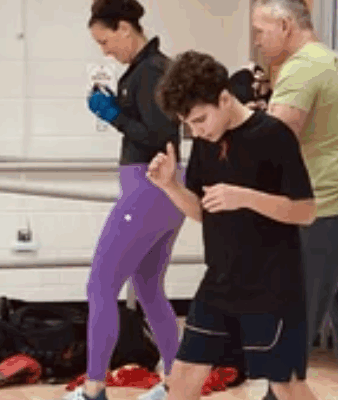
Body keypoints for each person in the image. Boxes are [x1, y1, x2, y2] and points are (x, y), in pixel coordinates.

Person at [150, 50, 320, 400]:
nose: (197, 131)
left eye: (201, 119)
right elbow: (203, 211)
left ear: (225, 98)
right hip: (221, 282)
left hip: (272, 285)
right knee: (181, 380)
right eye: (189, 124)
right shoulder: (204, 142)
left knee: (286, 385)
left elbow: (306, 211)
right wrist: (170, 186)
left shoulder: (273, 135)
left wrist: (245, 197)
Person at [251, 1, 338, 399]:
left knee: (289, 337)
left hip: (331, 219)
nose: (258, 42)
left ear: (285, 24)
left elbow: (273, 146)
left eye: (262, 31)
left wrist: (238, 121)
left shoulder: (301, 67)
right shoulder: (334, 61)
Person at [72, 1, 184, 400]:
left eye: (105, 40)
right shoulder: (144, 71)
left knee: (100, 285)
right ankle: (175, 384)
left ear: (124, 28)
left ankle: (93, 389)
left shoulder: (150, 70)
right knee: (149, 288)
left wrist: (115, 115)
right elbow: (154, 126)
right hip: (157, 193)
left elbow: (158, 136)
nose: (105, 50)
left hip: (149, 190)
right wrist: (119, 108)